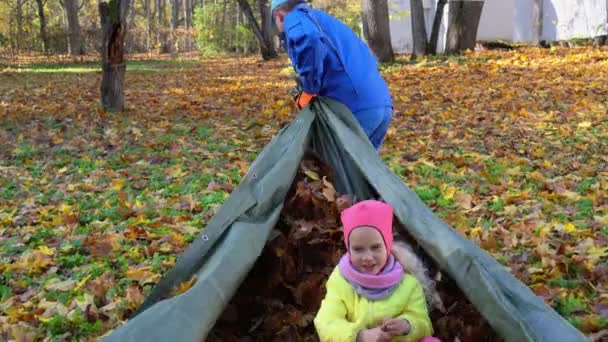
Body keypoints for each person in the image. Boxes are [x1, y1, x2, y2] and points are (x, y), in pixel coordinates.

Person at [271, 0, 393, 151]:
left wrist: (309, 89)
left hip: (353, 108)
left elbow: (308, 38)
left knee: (332, 167)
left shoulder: (294, 17)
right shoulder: (326, 22)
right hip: (381, 105)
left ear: (278, 15)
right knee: (363, 171)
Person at [314, 200, 440, 342]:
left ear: (387, 245)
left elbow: (423, 322)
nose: (367, 257)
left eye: (375, 247)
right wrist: (360, 336)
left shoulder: (408, 283)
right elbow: (326, 322)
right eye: (358, 249)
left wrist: (406, 325)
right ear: (348, 249)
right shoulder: (341, 280)